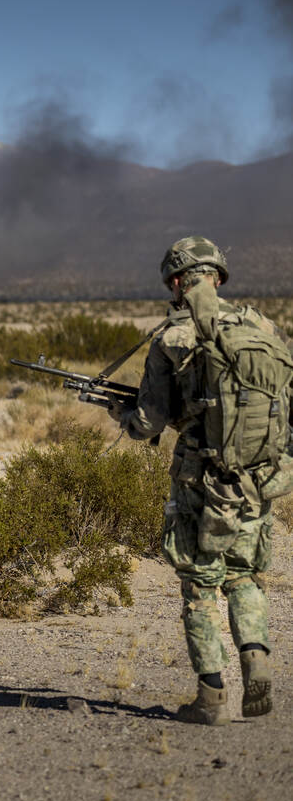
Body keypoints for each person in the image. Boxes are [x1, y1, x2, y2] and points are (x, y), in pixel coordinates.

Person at [110, 236, 290, 724]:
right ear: (218, 277)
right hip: (257, 477)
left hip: (198, 478)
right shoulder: (263, 327)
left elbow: (149, 420)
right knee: (245, 576)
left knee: (199, 584)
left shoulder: (172, 338)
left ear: (175, 282)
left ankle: (211, 698)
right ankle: (256, 660)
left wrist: (121, 415)